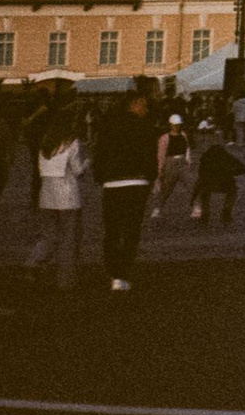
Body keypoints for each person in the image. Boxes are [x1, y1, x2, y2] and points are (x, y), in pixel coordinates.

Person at [94, 88, 158, 293]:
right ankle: (123, 272)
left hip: (112, 182)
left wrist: (100, 176)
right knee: (131, 229)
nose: (146, 109)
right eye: (144, 105)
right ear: (135, 104)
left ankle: (113, 272)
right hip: (137, 181)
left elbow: (100, 152)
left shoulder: (108, 125)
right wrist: (151, 177)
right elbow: (151, 155)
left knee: (112, 229)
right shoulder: (145, 126)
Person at [28, 114, 85, 292]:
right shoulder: (72, 143)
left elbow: (40, 170)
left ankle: (34, 262)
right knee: (68, 239)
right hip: (68, 196)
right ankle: (65, 280)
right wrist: (88, 163)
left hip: (47, 195)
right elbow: (77, 170)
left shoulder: (44, 145)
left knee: (49, 236)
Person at [191, 138, 245, 224]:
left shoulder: (205, 157)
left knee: (204, 193)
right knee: (233, 191)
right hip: (225, 182)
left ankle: (205, 213)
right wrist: (232, 173)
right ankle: (227, 210)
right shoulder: (226, 156)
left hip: (209, 183)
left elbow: (201, 174)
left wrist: (195, 193)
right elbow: (244, 168)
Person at [152, 113, 192, 219]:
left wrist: (188, 161)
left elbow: (187, 148)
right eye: (174, 125)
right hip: (170, 162)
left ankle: (197, 207)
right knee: (166, 188)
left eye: (178, 125)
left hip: (182, 162)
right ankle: (158, 207)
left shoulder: (183, 135)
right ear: (170, 125)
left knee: (191, 184)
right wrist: (160, 169)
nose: (176, 127)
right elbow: (161, 154)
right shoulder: (165, 138)